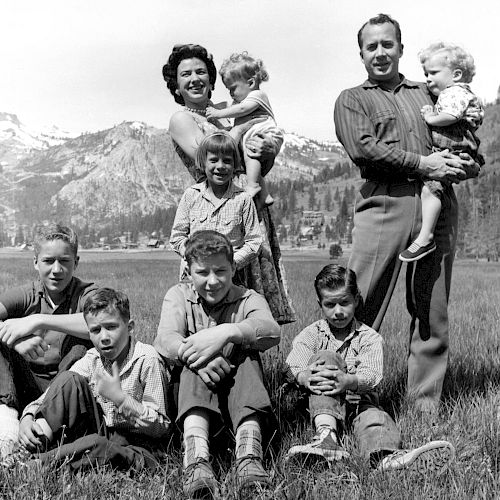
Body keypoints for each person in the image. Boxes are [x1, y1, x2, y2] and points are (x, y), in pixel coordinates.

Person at [334, 13, 480, 413]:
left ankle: (423, 407)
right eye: (371, 47)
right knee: (356, 305)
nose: (380, 53)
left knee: (431, 310)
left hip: (438, 203)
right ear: (361, 54)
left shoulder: (429, 92)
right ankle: (339, 404)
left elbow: (462, 135)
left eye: (387, 44)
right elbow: (364, 149)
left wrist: (467, 164)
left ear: (399, 47)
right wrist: (424, 164)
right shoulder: (353, 98)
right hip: (385, 205)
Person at [162, 43, 295, 325]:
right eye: (186, 74)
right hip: (213, 209)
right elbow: (209, 156)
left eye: (201, 72)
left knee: (250, 297)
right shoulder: (182, 119)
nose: (195, 78)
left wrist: (266, 148)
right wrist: (240, 128)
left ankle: (253, 363)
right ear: (176, 86)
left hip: (247, 202)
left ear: (212, 81)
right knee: (213, 288)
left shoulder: (228, 111)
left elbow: (251, 162)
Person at [285, 264, 455, 473]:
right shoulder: (311, 334)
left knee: (376, 418)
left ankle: (386, 458)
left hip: (358, 403)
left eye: (344, 303)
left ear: (356, 300)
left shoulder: (369, 337)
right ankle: (326, 438)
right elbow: (295, 362)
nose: (338, 311)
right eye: (330, 304)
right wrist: (304, 376)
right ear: (320, 304)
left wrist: (349, 381)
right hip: (321, 405)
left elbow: (372, 375)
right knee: (326, 358)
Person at [154, 230, 280, 498]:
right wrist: (200, 357)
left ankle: (248, 455)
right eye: (203, 273)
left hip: (238, 396)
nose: (212, 281)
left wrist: (227, 332)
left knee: (246, 356)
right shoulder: (178, 295)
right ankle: (196, 460)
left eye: (221, 271)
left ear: (234, 267)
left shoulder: (248, 298)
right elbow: (165, 339)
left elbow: (271, 331)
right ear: (188, 271)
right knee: (190, 360)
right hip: (192, 401)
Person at [17, 288, 170, 471]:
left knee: (97, 445)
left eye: (111, 327)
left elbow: (161, 427)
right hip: (104, 431)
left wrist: (121, 399)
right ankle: (32, 445)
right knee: (69, 379)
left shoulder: (147, 359)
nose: (104, 337)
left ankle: (34, 466)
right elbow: (58, 390)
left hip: (139, 447)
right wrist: (29, 414)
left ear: (130, 327)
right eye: (96, 330)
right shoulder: (93, 358)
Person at [0, 223, 96, 462]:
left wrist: (38, 320)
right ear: (35, 262)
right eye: (48, 261)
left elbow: (102, 321)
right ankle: (7, 429)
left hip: (68, 388)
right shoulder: (27, 294)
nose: (57, 270)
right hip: (25, 386)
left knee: (80, 347)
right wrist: (15, 341)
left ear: (77, 261)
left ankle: (45, 430)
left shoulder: (87, 293)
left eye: (64, 261)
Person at [400, 42, 484, 262]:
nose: (428, 78)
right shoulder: (454, 91)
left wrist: (430, 117)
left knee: (431, 188)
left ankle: (425, 237)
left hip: (454, 144)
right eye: (426, 73)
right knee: (432, 187)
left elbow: (451, 116)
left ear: (456, 75)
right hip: (456, 145)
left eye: (434, 72)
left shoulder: (454, 92)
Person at [169, 131, 263, 278]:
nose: (220, 166)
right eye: (213, 160)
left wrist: (231, 264)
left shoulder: (243, 199)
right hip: (193, 277)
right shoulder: (191, 195)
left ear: (234, 164)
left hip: (231, 279)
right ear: (203, 163)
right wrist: (191, 259)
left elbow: (254, 241)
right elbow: (177, 236)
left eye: (227, 161)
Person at [206, 51, 283, 207]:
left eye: (233, 88)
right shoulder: (243, 99)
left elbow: (242, 110)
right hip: (253, 135)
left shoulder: (257, 95)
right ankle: (264, 193)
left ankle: (253, 185)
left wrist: (218, 113)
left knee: (250, 155)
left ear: (251, 83)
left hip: (264, 132)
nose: (231, 93)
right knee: (250, 160)